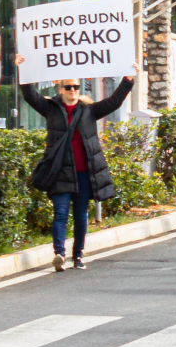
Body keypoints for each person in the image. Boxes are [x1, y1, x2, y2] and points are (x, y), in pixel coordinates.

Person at [15, 55, 136, 271]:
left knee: (81, 216)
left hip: (84, 174)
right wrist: (22, 70)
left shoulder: (89, 110)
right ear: (60, 89)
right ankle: (59, 254)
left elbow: (114, 101)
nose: (73, 90)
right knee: (60, 214)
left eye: (76, 87)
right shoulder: (50, 108)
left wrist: (127, 79)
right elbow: (30, 96)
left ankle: (78, 255)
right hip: (60, 172)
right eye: (69, 87)